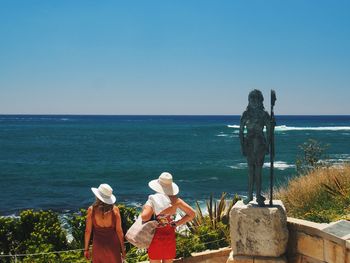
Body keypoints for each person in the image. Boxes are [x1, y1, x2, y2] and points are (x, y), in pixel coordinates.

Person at [141, 172, 195, 263]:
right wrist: (177, 223)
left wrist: (145, 208)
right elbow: (192, 214)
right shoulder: (176, 200)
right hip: (169, 235)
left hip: (154, 236)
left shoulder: (152, 200)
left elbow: (144, 217)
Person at [239, 89, 271, 207]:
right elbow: (241, 131)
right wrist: (242, 146)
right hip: (249, 145)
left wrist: (267, 146)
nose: (254, 101)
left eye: (256, 98)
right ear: (249, 100)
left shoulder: (264, 114)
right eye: (251, 98)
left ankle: (258, 195)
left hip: (260, 145)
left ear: (260, 100)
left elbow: (269, 131)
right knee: (250, 171)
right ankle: (249, 195)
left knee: (258, 171)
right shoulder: (245, 114)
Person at [84, 183, 126, 263]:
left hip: (98, 246)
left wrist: (86, 249)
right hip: (113, 246)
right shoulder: (115, 210)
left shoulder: (91, 210)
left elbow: (87, 231)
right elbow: (119, 232)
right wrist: (123, 250)